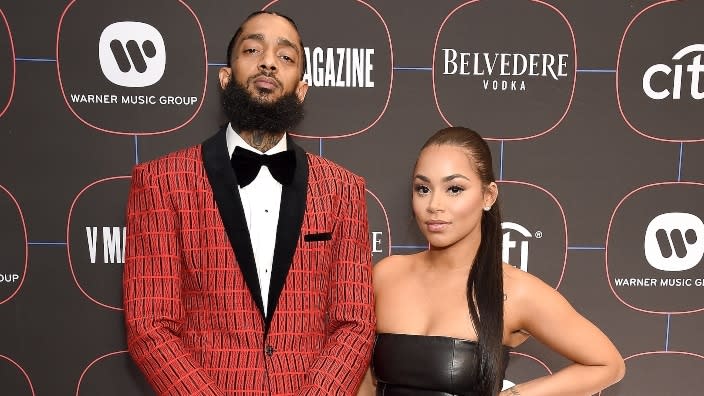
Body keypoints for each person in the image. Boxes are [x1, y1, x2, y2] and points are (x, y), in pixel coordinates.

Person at [123, 11, 375, 395]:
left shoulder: (343, 189)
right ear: (226, 79)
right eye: (253, 49)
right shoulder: (161, 182)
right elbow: (150, 324)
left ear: (302, 89)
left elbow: (354, 322)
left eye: (286, 56)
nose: (269, 61)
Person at [357, 127, 625, 395]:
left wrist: (518, 395)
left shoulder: (515, 291)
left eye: (454, 189)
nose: (434, 205)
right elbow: (366, 380)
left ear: (488, 196)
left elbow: (607, 364)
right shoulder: (387, 275)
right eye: (423, 188)